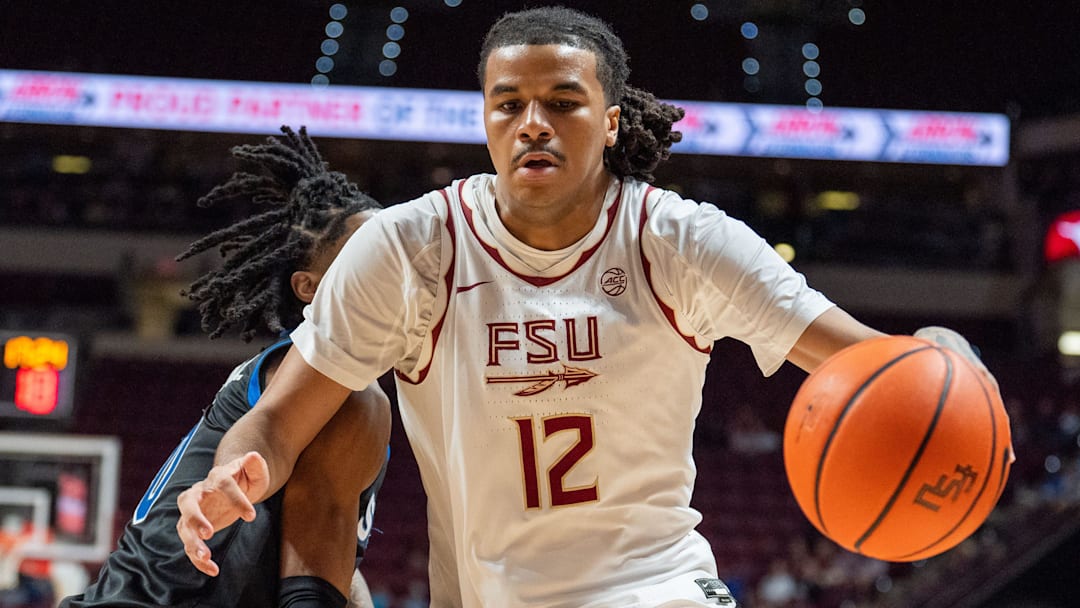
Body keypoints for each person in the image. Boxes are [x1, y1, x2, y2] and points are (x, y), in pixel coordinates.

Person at [176, 7, 1005, 607]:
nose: (533, 123)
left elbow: (867, 363)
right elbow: (278, 422)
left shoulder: (680, 240)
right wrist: (230, 473)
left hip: (658, 587)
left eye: (563, 102)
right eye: (509, 104)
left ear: (608, 121)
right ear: (486, 119)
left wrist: (943, 351)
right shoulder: (409, 248)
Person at [62, 126, 391, 608]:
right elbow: (265, 437)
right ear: (309, 287)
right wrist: (230, 473)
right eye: (366, 260)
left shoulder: (330, 385)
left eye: (392, 258)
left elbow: (324, 553)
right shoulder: (340, 384)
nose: (388, 274)